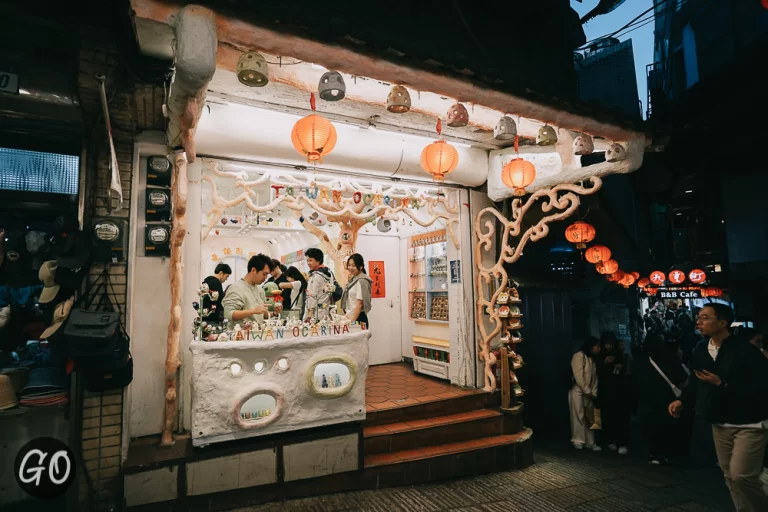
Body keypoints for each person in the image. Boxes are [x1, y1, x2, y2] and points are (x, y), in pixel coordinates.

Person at [669, 303, 768, 512]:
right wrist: (683, 401)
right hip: (719, 419)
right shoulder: (701, 349)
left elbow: (761, 385)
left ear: (722, 323)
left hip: (749, 421)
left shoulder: (744, 350)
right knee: (729, 475)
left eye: (705, 317)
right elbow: (696, 381)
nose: (699, 321)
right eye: (699, 317)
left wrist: (723, 384)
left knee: (742, 475)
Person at [597, 332, 630, 455]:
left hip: (617, 391)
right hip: (607, 391)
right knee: (608, 417)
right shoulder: (600, 357)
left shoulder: (620, 354)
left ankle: (620, 441)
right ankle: (611, 440)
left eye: (611, 344)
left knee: (618, 417)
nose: (609, 347)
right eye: (607, 344)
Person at [569, 337, 602, 451]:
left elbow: (595, 378)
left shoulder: (592, 358)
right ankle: (578, 440)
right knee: (578, 415)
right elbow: (578, 376)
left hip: (589, 392)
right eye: (596, 346)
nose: (598, 348)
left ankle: (590, 442)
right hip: (578, 391)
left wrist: (593, 392)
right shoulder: (579, 356)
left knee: (590, 416)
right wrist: (589, 391)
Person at [222, 254, 273, 327]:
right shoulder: (236, 288)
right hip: (241, 336)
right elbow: (228, 314)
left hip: (258, 334)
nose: (265, 278)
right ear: (253, 270)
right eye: (264, 274)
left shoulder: (260, 289)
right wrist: (253, 311)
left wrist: (274, 313)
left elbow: (261, 315)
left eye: (267, 275)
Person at [341, 253, 373, 327]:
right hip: (351, 317)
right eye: (349, 265)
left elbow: (360, 304)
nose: (350, 267)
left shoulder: (362, 281)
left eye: (354, 265)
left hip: (358, 318)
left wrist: (352, 322)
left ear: (361, 267)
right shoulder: (353, 279)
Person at [304, 248, 334, 321]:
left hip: (315, 316)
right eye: (307, 260)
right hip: (326, 312)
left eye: (311, 260)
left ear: (319, 260)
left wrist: (308, 317)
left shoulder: (316, 276)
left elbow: (311, 297)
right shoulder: (329, 273)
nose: (308, 263)